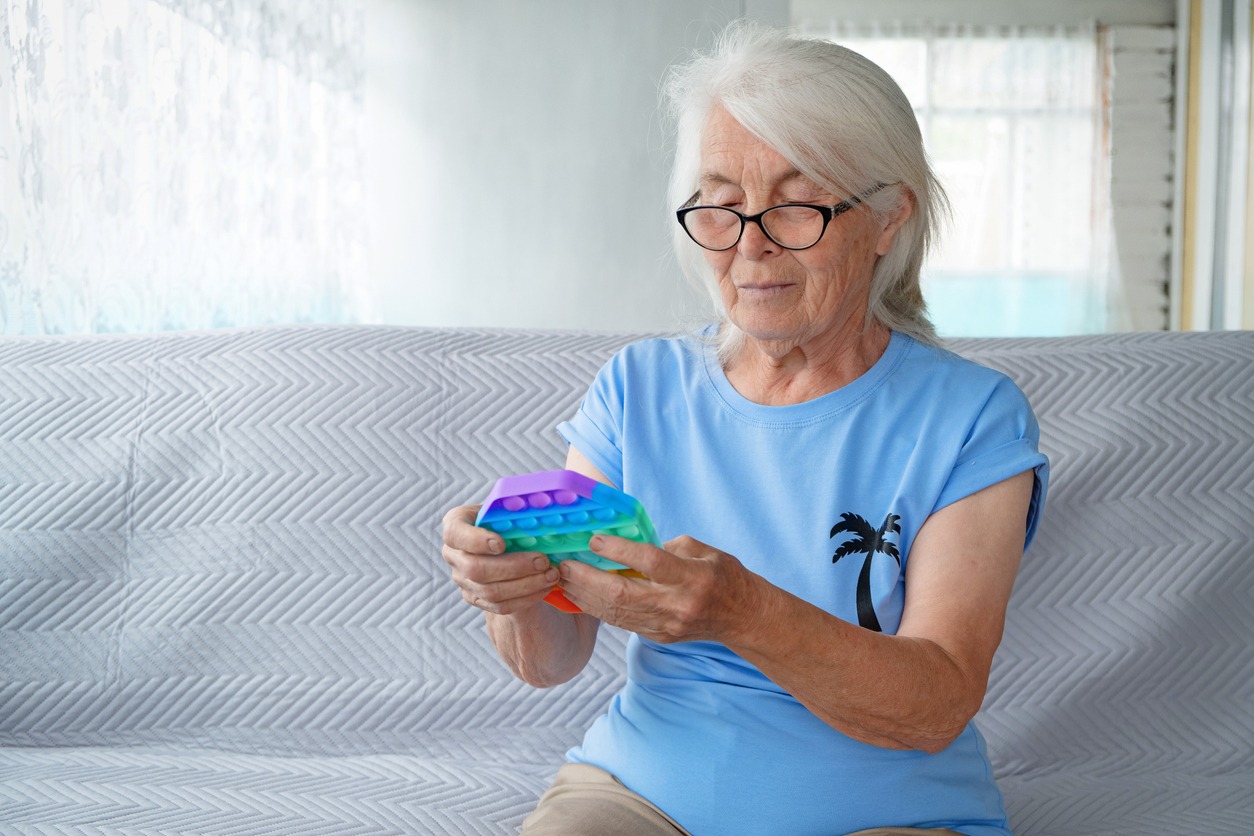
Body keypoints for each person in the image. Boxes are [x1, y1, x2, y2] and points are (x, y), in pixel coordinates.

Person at [441, 22, 1048, 836]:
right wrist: (511, 593)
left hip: (886, 817)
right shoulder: (636, 388)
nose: (751, 247)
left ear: (888, 220)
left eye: (796, 207)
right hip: (635, 797)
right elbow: (551, 659)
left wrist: (740, 611)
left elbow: (935, 703)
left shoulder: (972, 416)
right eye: (723, 208)